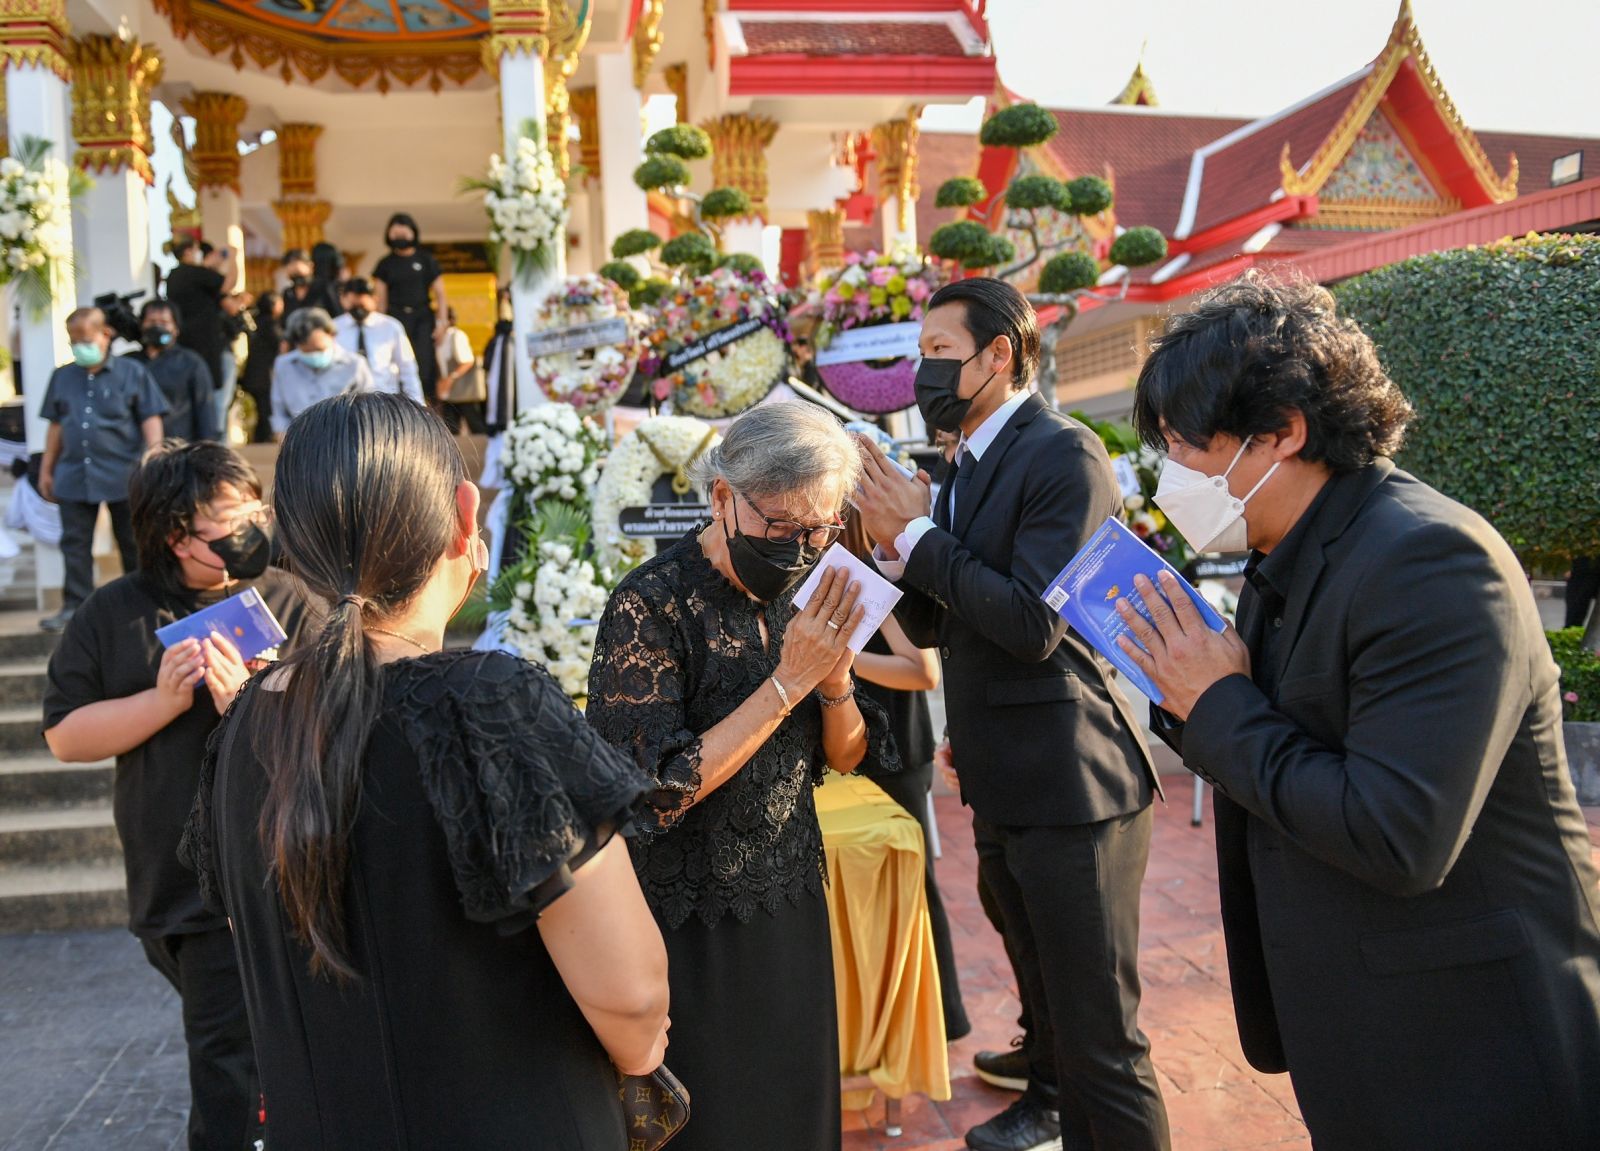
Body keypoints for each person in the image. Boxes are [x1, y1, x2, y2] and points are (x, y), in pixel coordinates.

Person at [1122, 273, 1600, 1150]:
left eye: (1189, 447)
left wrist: (1217, 700)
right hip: (1364, 1019)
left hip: (1470, 1047)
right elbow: (1275, 730)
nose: (1172, 475)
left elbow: (1398, 832)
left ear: (1283, 431)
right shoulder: (1293, 548)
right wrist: (1180, 688)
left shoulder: (1429, 561)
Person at [180, 391, 670, 1148]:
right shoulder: (484, 701)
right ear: (463, 516)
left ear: (295, 546)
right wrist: (644, 1059)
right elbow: (633, 999)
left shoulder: (244, 722)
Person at [854, 277, 1170, 1151]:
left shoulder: (1063, 454)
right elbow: (946, 619)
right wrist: (883, 552)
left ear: (1002, 353)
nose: (923, 373)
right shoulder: (960, 465)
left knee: (1104, 1037)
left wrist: (919, 538)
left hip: (1077, 788)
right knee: (1048, 998)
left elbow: (1034, 623)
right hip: (1000, 773)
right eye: (920, 355)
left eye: (939, 353)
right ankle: (1050, 1105)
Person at [587, 402, 897, 1151]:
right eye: (780, 526)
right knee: (720, 1124)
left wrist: (836, 681)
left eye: (818, 529)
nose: (799, 547)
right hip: (691, 923)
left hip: (788, 894)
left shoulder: (808, 585)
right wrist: (787, 683)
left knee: (796, 1111)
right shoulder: (650, 603)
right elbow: (652, 794)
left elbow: (847, 755)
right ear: (722, 496)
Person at [44, 439, 308, 1150]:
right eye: (229, 520)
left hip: (278, 868)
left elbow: (334, 718)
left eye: (255, 508)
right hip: (180, 882)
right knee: (232, 1063)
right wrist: (161, 701)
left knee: (239, 1064)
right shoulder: (115, 612)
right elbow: (66, 734)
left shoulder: (288, 595)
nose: (251, 526)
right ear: (174, 534)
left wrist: (257, 698)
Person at [839, 509, 971, 1042]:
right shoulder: (830, 571)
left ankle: (944, 1018)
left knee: (915, 888)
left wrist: (840, 662)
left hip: (896, 749)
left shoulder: (872, 574)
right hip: (854, 747)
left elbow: (922, 671)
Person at [37, 308, 168, 633]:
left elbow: (151, 418)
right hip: (73, 473)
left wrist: (153, 458)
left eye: (86, 339)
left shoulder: (132, 372)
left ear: (105, 334)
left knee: (132, 541)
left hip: (123, 473)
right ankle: (75, 608)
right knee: (74, 543)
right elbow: (55, 425)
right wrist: (46, 468)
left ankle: (139, 606)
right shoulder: (62, 376)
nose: (79, 346)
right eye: (73, 341)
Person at [371, 212, 447, 402]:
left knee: (424, 363)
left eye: (404, 236)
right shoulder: (385, 264)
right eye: (396, 236)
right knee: (397, 363)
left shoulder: (425, 260)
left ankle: (426, 407)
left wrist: (442, 322)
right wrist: (379, 326)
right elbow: (380, 299)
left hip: (422, 318)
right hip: (396, 317)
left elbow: (440, 294)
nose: (400, 239)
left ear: (413, 234)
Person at [271, 307, 375, 439]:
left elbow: (368, 410)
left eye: (318, 349)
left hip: (344, 440)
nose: (313, 355)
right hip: (299, 442)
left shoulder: (355, 365)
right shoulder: (283, 365)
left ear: (332, 334)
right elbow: (279, 412)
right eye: (307, 351)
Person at [124, 300, 217, 443]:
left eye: (164, 322)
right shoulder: (128, 363)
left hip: (177, 448)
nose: (157, 326)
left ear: (176, 328)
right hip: (134, 449)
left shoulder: (191, 362)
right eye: (151, 321)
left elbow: (205, 409)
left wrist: (206, 449)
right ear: (142, 325)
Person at [334, 277, 424, 405]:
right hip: (346, 403)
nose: (358, 310)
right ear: (343, 300)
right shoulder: (334, 329)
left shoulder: (391, 327)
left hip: (384, 402)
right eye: (354, 306)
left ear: (375, 300)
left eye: (362, 306)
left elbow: (408, 369)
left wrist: (418, 404)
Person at [165, 237, 237, 391]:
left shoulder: (174, 276)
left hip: (185, 341)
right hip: (206, 342)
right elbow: (227, 285)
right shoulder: (195, 273)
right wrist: (233, 257)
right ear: (188, 252)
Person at [433, 306, 485, 436]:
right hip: (449, 394)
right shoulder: (438, 339)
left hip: (464, 392)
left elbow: (467, 361)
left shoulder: (456, 336)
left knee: (475, 426)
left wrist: (451, 378)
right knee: (450, 431)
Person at [241, 291, 283, 443]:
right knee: (265, 411)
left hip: (254, 374)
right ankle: (263, 439)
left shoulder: (256, 322)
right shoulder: (270, 324)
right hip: (264, 375)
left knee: (262, 410)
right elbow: (279, 344)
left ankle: (261, 438)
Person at [279, 249, 341, 325]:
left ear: (311, 267)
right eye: (293, 275)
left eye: (298, 273)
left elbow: (338, 315)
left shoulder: (324, 287)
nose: (297, 280)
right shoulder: (288, 294)